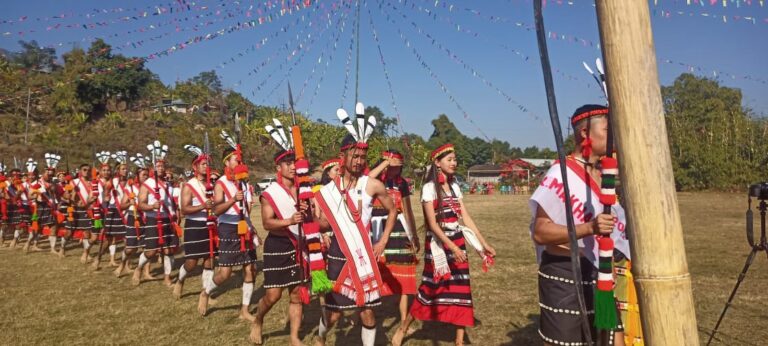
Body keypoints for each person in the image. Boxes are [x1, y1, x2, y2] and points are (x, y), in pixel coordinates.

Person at [529, 104, 631, 345]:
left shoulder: (604, 174)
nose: (613, 136)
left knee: (613, 341)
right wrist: (589, 228)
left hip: (599, 274)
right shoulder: (560, 174)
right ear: (585, 133)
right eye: (607, 130)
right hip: (564, 274)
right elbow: (540, 232)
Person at [393, 143, 496, 346]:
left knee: (462, 288)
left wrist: (484, 244)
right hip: (439, 245)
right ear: (437, 163)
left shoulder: (455, 186)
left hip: (457, 240)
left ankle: (459, 340)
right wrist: (452, 247)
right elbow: (432, 224)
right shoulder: (430, 188)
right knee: (430, 288)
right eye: (450, 159)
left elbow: (465, 217)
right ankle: (404, 327)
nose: (454, 163)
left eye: (455, 159)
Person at [313, 105, 398, 346]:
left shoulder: (372, 185)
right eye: (355, 156)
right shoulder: (329, 190)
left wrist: (382, 241)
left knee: (368, 312)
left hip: (363, 256)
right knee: (334, 314)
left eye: (363, 156)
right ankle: (320, 338)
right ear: (344, 156)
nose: (360, 161)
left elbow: (392, 210)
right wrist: (308, 220)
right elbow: (325, 224)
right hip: (339, 257)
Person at [249, 143, 306, 345]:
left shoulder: (303, 188)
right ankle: (258, 319)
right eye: (288, 163)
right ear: (278, 168)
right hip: (278, 245)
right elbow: (267, 223)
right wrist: (290, 221)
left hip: (298, 244)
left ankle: (294, 336)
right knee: (273, 295)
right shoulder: (270, 193)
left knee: (297, 294)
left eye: (294, 163)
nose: (292, 167)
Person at [198, 144, 258, 322]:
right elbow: (216, 210)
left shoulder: (244, 183)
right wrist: (233, 199)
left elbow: (246, 211)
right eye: (236, 160)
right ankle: (206, 292)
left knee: (250, 269)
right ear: (227, 162)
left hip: (244, 228)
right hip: (228, 229)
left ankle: (244, 310)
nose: (240, 162)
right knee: (225, 273)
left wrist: (252, 229)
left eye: (240, 160)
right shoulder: (221, 183)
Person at [367, 150, 420, 337]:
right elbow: (365, 180)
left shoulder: (402, 184)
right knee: (371, 276)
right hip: (376, 232)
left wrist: (414, 236)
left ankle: (404, 321)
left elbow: (408, 211)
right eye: (392, 166)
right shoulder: (374, 180)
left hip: (399, 232)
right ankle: (364, 315)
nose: (395, 170)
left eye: (398, 167)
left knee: (405, 278)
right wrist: (385, 163)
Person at [173, 146, 217, 300]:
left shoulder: (212, 184)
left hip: (210, 225)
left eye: (208, 164)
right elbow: (184, 210)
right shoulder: (189, 186)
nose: (206, 166)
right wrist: (202, 206)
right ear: (196, 167)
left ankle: (206, 292)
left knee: (210, 259)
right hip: (194, 226)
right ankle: (180, 280)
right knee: (191, 263)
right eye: (203, 164)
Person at [133, 146, 180, 287]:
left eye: (162, 165)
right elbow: (140, 204)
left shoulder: (168, 184)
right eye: (157, 165)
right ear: (153, 167)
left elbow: (173, 202)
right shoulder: (146, 184)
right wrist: (152, 207)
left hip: (168, 220)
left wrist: (176, 213)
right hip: (154, 219)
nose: (160, 168)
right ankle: (139, 268)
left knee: (168, 250)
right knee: (151, 251)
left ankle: (167, 277)